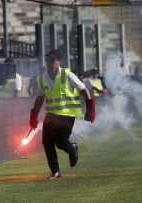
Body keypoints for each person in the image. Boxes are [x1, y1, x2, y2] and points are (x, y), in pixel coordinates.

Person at [29, 49, 95, 179]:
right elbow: (40, 98)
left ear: (58, 62)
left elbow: (84, 90)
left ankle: (72, 149)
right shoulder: (42, 79)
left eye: (52, 61)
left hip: (67, 115)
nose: (49, 63)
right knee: (47, 142)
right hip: (51, 115)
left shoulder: (68, 75)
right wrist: (34, 115)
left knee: (60, 142)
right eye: (47, 60)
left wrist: (90, 109)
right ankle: (55, 171)